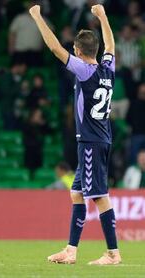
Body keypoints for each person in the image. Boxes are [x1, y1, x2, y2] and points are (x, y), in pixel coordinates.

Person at [30, 4, 121, 264]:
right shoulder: (107, 69)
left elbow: (55, 48)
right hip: (98, 138)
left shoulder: (85, 70)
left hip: (92, 141)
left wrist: (37, 17)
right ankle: (71, 250)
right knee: (77, 192)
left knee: (99, 197)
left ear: (78, 52)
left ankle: (113, 253)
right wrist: (103, 16)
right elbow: (111, 47)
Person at [9, 1, 50, 67]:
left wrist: (45, 46)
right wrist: (11, 48)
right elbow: (12, 34)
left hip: (36, 53)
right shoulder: (19, 18)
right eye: (31, 5)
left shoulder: (44, 20)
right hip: (20, 52)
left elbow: (51, 33)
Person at [22, 109, 51, 178]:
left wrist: (44, 124)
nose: (39, 117)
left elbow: (51, 132)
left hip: (38, 151)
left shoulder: (41, 126)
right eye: (37, 115)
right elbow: (27, 138)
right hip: (30, 151)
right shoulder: (27, 125)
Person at [126, 83, 145, 164]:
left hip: (136, 134)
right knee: (134, 159)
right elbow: (128, 118)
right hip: (136, 135)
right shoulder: (134, 103)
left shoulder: (133, 103)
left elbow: (128, 119)